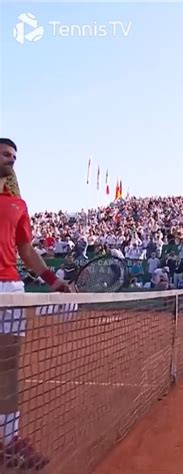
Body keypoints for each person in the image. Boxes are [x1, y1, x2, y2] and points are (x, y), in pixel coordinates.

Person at [0, 138, 70, 470]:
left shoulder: (18, 204)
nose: (10, 160)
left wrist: (52, 280)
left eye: (14, 156)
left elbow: (26, 250)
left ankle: (9, 441)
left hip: (10, 288)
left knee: (7, 368)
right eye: (4, 153)